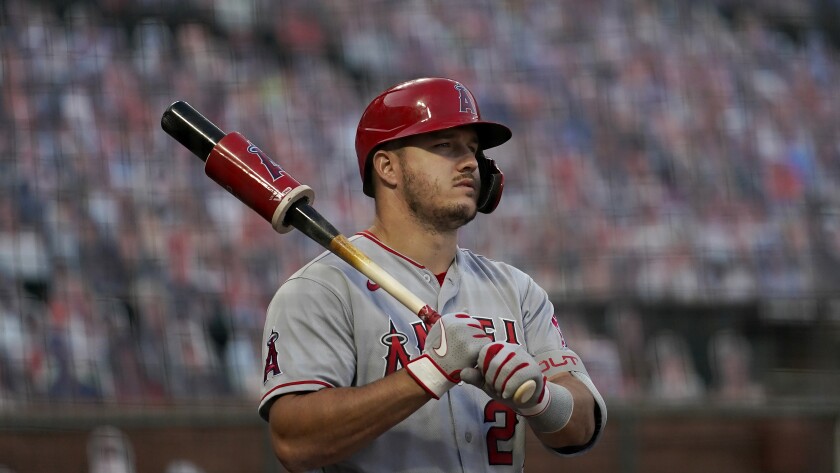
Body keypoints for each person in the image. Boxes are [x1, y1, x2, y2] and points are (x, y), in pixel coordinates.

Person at [258, 77, 607, 472]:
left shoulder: (516, 289)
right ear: (387, 167)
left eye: (473, 149)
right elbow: (294, 442)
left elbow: (583, 425)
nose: (470, 162)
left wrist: (543, 400)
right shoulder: (322, 289)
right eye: (445, 146)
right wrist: (427, 373)